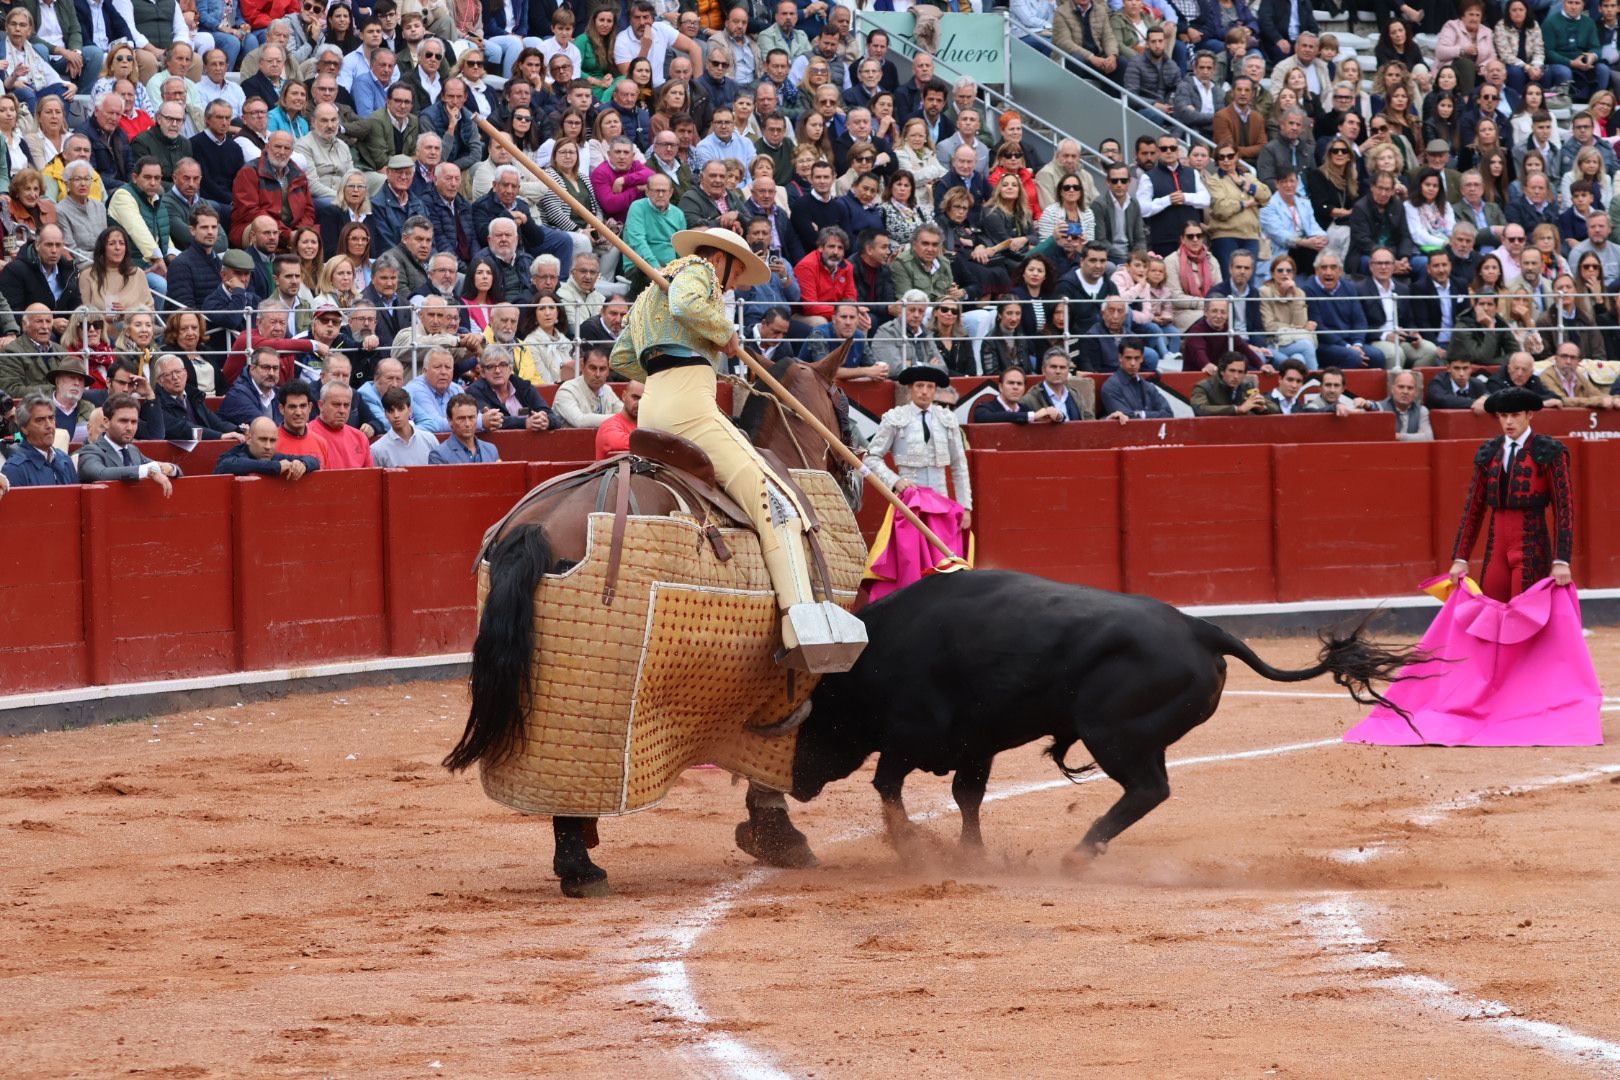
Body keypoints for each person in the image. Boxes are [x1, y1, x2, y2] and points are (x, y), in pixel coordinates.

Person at [609, 225, 865, 673]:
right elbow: (688, 304)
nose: (728, 287)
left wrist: (684, 356)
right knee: (776, 497)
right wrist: (721, 331)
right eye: (733, 276)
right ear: (722, 259)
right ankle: (800, 623)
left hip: (654, 406)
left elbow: (621, 358)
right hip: (690, 407)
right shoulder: (697, 268)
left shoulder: (651, 291)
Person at [1448, 386, 1574, 601]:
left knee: (1524, 615)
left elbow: (1564, 508)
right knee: (1491, 609)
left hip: (1532, 547)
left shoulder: (1549, 451)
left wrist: (1561, 560)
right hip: (1496, 548)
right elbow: (1474, 508)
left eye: (1515, 415)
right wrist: (1461, 557)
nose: (1508, 422)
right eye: (1503, 416)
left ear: (1529, 415)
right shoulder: (1489, 452)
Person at [865, 365, 972, 525]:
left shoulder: (947, 419)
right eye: (919, 385)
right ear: (910, 388)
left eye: (930, 386)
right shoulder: (895, 417)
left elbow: (959, 465)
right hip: (908, 501)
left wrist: (965, 507)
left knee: (939, 549)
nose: (924, 391)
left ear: (935, 390)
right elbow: (871, 457)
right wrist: (895, 481)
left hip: (941, 501)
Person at [77, 393, 182, 493]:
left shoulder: (132, 450)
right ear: (106, 422)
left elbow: (172, 469)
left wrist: (171, 469)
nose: (129, 428)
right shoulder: (90, 450)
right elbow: (100, 474)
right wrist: (148, 470)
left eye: (134, 422)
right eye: (123, 421)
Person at [0, 393, 78, 487]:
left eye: (51, 418)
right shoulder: (14, 469)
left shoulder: (65, 460)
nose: (49, 425)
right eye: (40, 420)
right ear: (24, 428)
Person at [214, 416, 321, 479]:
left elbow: (315, 460)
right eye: (263, 439)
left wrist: (303, 464)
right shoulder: (236, 455)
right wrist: (275, 467)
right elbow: (226, 465)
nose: (268, 446)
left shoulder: (275, 457)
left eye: (273, 440)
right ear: (249, 439)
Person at [1099, 337, 1174, 419]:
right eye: (1128, 358)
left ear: (1142, 358)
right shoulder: (1111, 387)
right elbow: (1125, 418)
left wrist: (1140, 415)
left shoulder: (1147, 386)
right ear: (1120, 358)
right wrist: (1150, 414)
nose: (1133, 363)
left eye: (1137, 358)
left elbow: (1168, 413)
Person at [1191, 352, 1280, 414]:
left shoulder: (1248, 387)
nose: (1236, 376)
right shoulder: (1203, 386)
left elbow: (1276, 409)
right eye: (1232, 371)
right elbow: (1200, 409)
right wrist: (1237, 409)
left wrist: (1262, 408)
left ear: (1245, 374)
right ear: (1222, 371)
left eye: (1240, 372)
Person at [970, 367, 1063, 424]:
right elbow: (984, 418)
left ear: (1024, 388)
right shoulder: (984, 408)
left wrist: (1057, 416)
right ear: (1001, 387)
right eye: (1011, 383)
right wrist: (1032, 416)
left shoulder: (1026, 409)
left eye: (1019, 384)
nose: (1015, 387)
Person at [428, 394, 500, 464]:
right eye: (461, 418)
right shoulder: (439, 455)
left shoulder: (491, 449)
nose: (467, 424)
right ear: (450, 420)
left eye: (471, 417)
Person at [1378, 369, 1435, 440]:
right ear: (1392, 389)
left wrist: (1398, 436)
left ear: (1416, 392)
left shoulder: (1422, 411)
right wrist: (1416, 437)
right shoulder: (1380, 408)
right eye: (1401, 387)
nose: (1405, 391)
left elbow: (1428, 438)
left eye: (1410, 388)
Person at [594, 379, 643, 458]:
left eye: (644, 399)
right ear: (624, 396)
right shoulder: (609, 425)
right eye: (635, 397)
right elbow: (615, 442)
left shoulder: (649, 425)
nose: (639, 403)